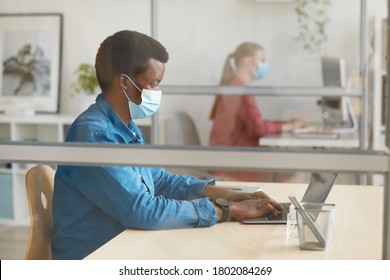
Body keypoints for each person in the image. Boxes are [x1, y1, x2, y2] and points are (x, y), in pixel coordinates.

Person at [51, 31, 282, 260]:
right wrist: (226, 211)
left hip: (125, 245)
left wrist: (218, 192)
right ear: (124, 82)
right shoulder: (95, 135)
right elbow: (141, 210)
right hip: (96, 258)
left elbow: (157, 181)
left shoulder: (125, 128)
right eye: (153, 84)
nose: (158, 93)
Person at [209, 42, 306, 182]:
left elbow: (254, 122)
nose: (265, 65)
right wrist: (289, 126)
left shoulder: (235, 86)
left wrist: (285, 124)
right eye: (262, 61)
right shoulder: (241, 90)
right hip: (235, 165)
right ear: (248, 62)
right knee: (298, 172)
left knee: (291, 166)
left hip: (229, 159)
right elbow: (258, 128)